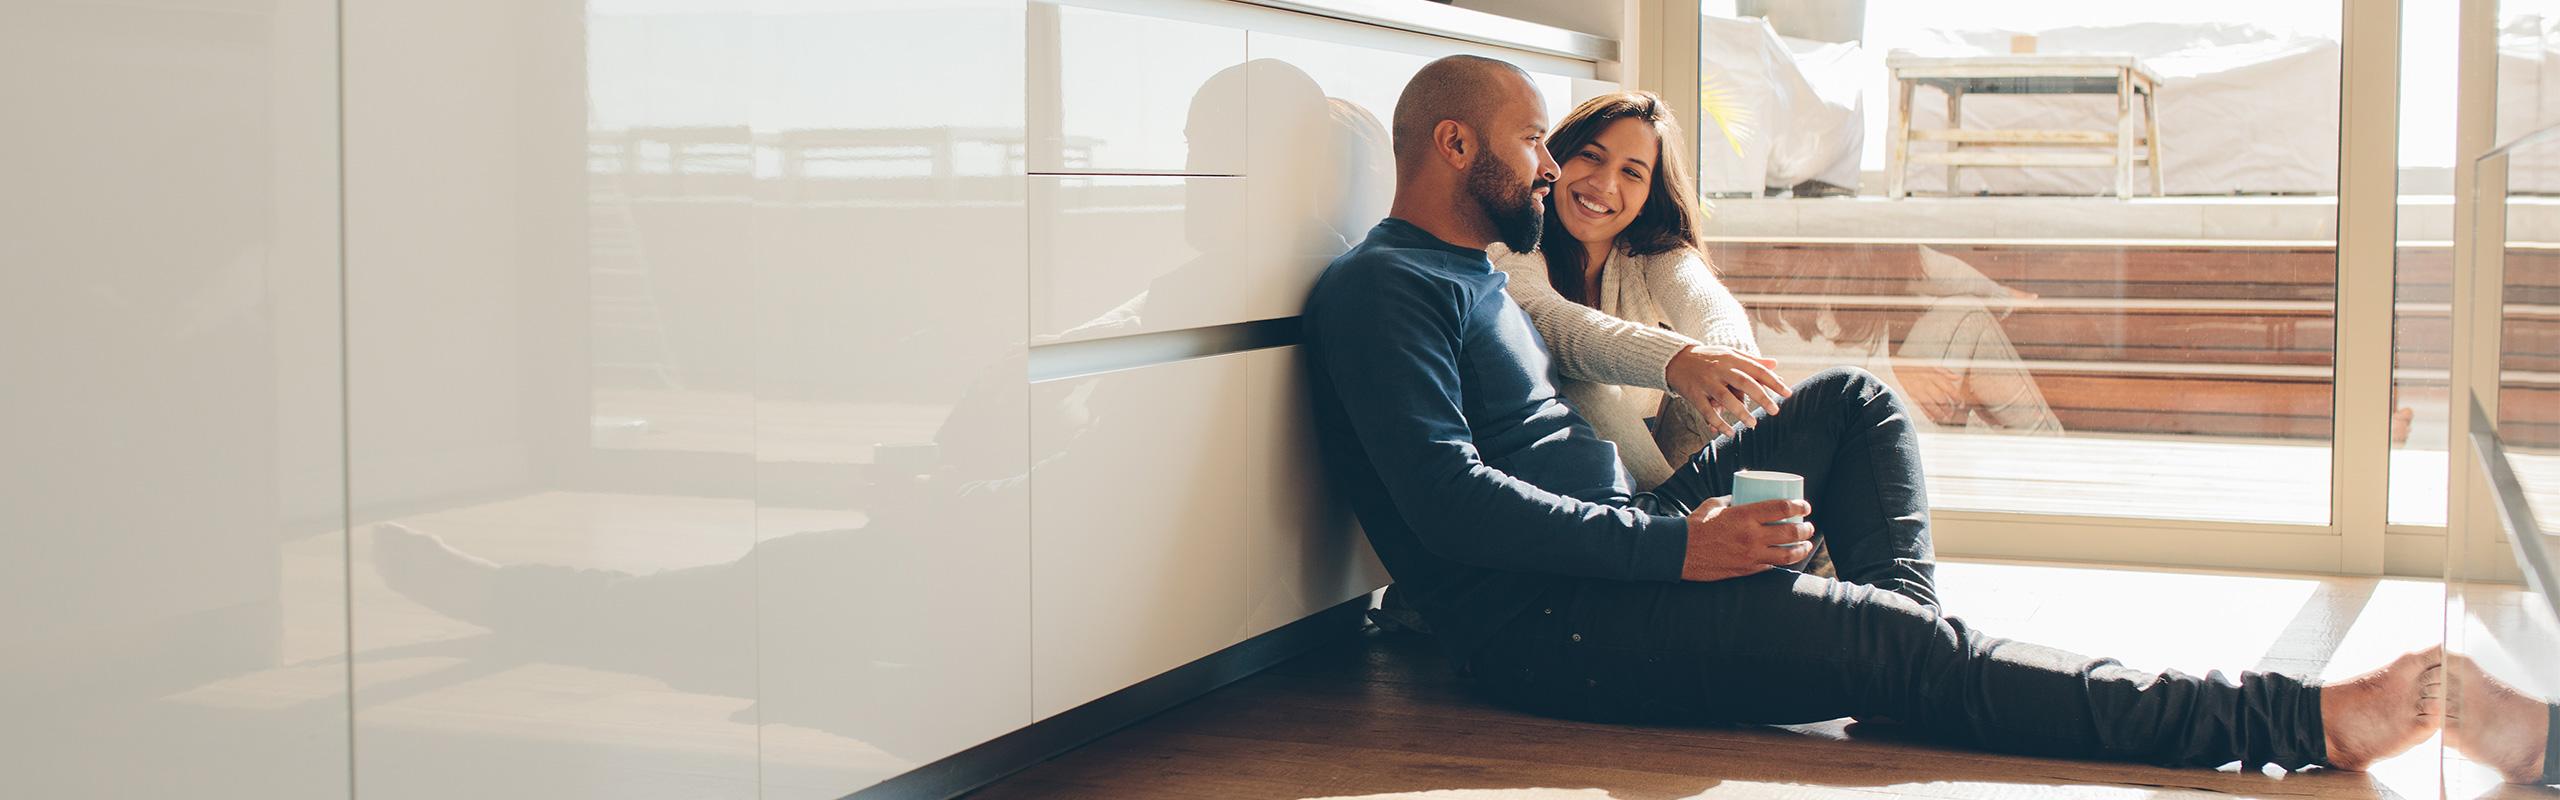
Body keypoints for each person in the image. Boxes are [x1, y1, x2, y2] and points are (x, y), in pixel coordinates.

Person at [1302, 53, 2453, 774]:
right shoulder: (1379, 288)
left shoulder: (1481, 277)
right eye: (1529, 147)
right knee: (1894, 649)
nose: (1550, 175)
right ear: (1454, 145)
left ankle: (1896, 649)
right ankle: (2289, 722)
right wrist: (1680, 549)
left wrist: (1672, 528)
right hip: (1555, 629)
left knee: (1856, 402)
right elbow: (1448, 507)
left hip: (1620, 545)